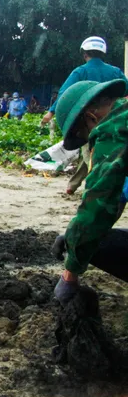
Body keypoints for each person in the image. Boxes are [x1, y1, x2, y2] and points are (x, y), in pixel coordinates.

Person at [48, 79, 128, 302]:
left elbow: (98, 206)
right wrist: (76, 237)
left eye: (88, 138)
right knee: (94, 240)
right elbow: (115, 199)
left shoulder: (113, 127)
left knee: (97, 245)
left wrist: (69, 275)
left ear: (90, 117)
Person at [40, 36, 128, 196]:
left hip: (90, 122)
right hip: (116, 120)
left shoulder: (81, 72)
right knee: (95, 153)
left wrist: (51, 112)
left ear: (84, 53)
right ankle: (73, 185)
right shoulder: (115, 71)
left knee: (91, 154)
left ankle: (93, 189)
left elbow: (65, 95)